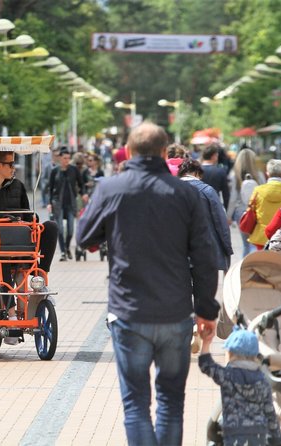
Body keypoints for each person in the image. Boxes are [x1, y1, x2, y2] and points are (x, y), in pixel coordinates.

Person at [77, 122, 219, 446]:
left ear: (128, 151)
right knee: (171, 403)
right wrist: (206, 310)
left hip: (129, 312)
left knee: (136, 405)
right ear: (163, 152)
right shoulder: (186, 193)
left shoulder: (111, 189)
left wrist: (110, 229)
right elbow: (205, 257)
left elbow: (84, 237)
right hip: (175, 313)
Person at [0, 150, 58, 333]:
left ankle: (40, 275)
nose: (13, 168)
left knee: (51, 227)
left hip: (18, 243)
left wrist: (32, 221)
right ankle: (12, 313)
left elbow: (27, 215)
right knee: (4, 258)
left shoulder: (18, 186)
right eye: (10, 164)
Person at [199, 327, 281, 446]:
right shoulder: (262, 381)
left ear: (231, 354)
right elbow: (270, 412)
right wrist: (276, 437)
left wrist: (206, 342)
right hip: (258, 433)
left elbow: (206, 365)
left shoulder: (227, 376)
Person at [178, 159, 233, 272]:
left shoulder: (171, 190)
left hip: (178, 250)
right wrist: (226, 249)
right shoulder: (208, 191)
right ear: (197, 173)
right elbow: (220, 222)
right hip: (204, 250)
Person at [47, 148, 88, 261]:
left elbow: (81, 184)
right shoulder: (55, 171)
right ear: (60, 158)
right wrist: (49, 203)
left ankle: (67, 247)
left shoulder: (74, 170)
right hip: (58, 203)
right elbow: (50, 188)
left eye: (68, 158)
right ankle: (63, 253)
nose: (67, 160)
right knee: (59, 229)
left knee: (70, 230)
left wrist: (83, 194)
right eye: (65, 158)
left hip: (71, 203)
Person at [227, 148, 265, 257]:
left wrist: (228, 216)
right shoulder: (259, 175)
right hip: (257, 212)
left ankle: (244, 269)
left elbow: (233, 197)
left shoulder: (235, 175)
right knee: (255, 243)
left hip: (241, 213)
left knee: (245, 245)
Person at [247, 159, 281, 250]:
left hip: (262, 236)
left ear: (267, 173)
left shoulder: (258, 190)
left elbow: (251, 209)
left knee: (261, 262)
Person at [200, 144, 230, 211]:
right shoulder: (220, 171)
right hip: (214, 206)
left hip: (199, 207)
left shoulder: (196, 170)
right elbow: (226, 195)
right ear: (214, 156)